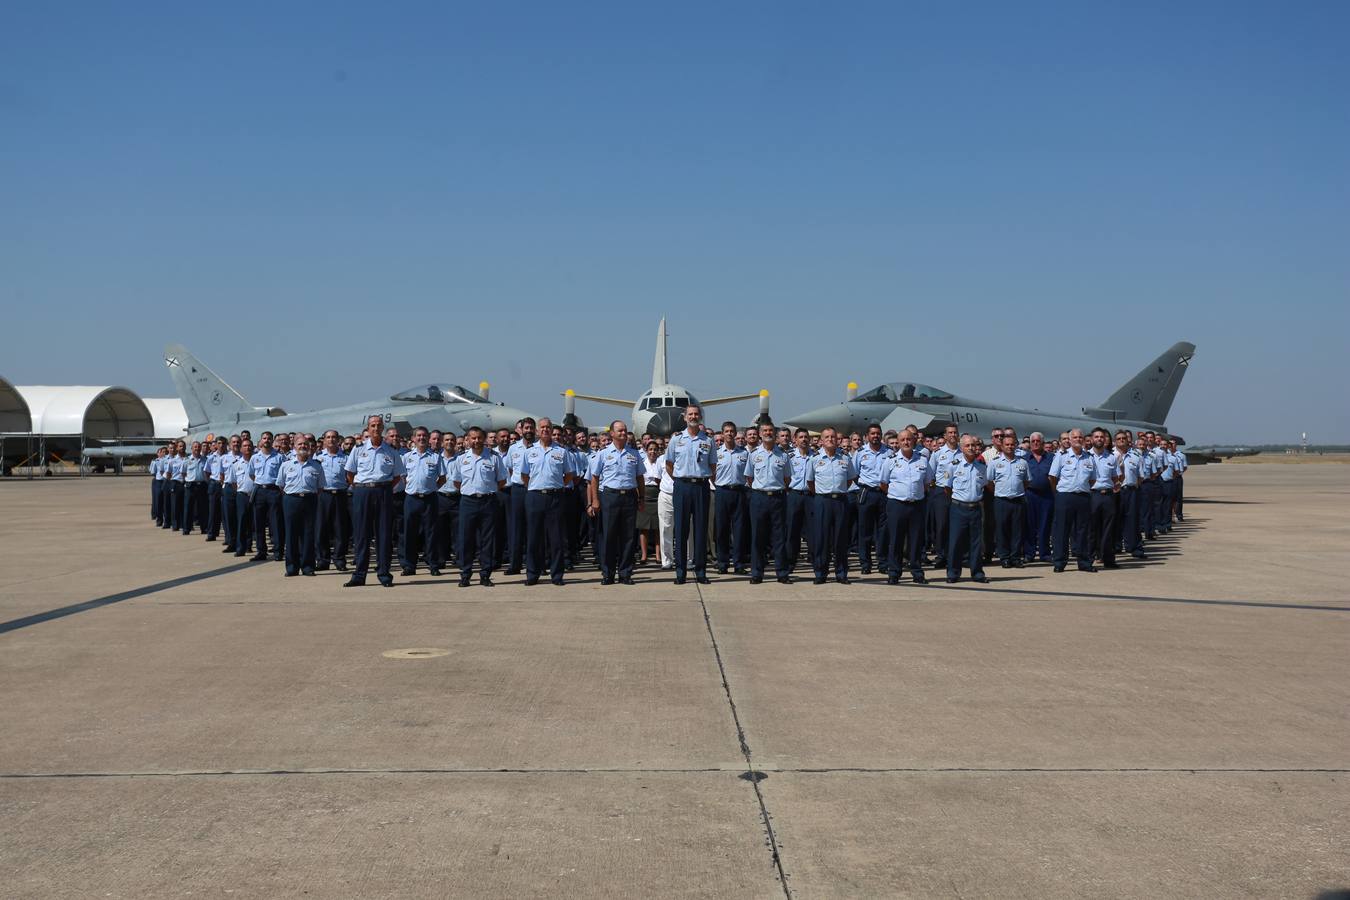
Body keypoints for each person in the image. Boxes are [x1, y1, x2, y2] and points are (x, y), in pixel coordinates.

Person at [343, 415, 406, 588]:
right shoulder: (358, 449)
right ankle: (359, 575)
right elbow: (350, 473)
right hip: (362, 491)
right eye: (372, 425)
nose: (376, 428)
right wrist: (361, 487)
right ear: (368, 429)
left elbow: (397, 476)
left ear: (383, 428)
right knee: (361, 534)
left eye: (379, 425)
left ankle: (384, 574)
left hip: (384, 491)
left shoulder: (391, 450)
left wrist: (382, 487)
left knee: (383, 534)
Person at [520, 418, 574, 586]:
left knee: (556, 538)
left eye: (548, 427)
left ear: (552, 430)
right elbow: (524, 475)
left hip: (555, 497)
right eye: (542, 427)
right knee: (534, 537)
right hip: (535, 496)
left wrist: (555, 486)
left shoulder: (562, 451)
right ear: (537, 431)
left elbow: (569, 475)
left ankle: (557, 575)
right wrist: (537, 486)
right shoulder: (529, 451)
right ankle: (532, 574)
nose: (545, 430)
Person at [589, 420, 643, 585]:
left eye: (625, 431)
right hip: (610, 497)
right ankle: (608, 573)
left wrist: (641, 498)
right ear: (611, 433)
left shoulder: (634, 454)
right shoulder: (603, 454)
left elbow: (639, 477)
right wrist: (595, 500)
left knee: (628, 537)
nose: (623, 433)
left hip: (629, 497)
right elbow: (594, 478)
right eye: (619, 431)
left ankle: (625, 573)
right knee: (609, 537)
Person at [453, 425, 508, 587]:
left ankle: (485, 574)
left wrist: (487, 491)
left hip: (488, 502)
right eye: (473, 438)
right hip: (468, 502)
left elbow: (502, 480)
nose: (476, 441)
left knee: (488, 540)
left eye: (479, 438)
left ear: (484, 439)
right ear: (468, 440)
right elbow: (457, 482)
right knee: (465, 539)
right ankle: (465, 574)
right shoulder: (461, 458)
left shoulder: (493, 457)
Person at [667, 405, 716, 585]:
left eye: (696, 414)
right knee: (680, 530)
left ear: (700, 417)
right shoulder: (676, 439)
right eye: (690, 414)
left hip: (701, 487)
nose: (693, 416)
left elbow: (713, 466)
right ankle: (681, 572)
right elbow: (669, 464)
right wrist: (681, 480)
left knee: (701, 530)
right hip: (682, 486)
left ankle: (701, 571)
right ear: (685, 417)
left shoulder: (708, 441)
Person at [878, 429, 931, 585]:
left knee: (916, 540)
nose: (906, 442)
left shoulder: (922, 460)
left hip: (916, 505)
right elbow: (883, 483)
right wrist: (898, 495)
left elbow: (927, 482)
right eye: (903, 440)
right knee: (895, 539)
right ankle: (894, 572)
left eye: (909, 439)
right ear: (898, 443)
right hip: (896, 504)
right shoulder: (890, 461)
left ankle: (916, 571)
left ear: (913, 441)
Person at [744, 423, 792, 584]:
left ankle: (782, 572)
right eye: (765, 431)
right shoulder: (754, 455)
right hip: (759, 498)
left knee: (779, 537)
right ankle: (757, 573)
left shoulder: (783, 456)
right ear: (759, 434)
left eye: (771, 431)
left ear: (776, 434)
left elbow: (787, 479)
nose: (768, 433)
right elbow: (749, 478)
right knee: (758, 536)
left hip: (778, 498)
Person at [810, 427, 857, 584]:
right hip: (822, 501)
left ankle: (841, 573)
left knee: (840, 539)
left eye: (833, 437)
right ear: (821, 440)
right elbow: (810, 482)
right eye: (827, 437)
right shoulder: (814, 459)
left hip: (841, 501)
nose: (830, 439)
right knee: (822, 538)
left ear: (837, 440)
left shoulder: (845, 459)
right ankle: (820, 573)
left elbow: (850, 479)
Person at [943, 434, 990, 583]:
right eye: (967, 445)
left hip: (975, 508)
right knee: (956, 541)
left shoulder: (982, 467)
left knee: (976, 542)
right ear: (961, 447)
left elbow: (983, 485)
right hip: (959, 508)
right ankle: (953, 573)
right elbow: (947, 488)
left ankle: (977, 573)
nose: (971, 448)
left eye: (973, 445)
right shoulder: (953, 465)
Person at [1048, 428, 1096, 573]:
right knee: (1062, 530)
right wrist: (1059, 492)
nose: (1078, 439)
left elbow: (1093, 480)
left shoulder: (1089, 457)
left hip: (1083, 497)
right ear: (1069, 439)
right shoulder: (1061, 456)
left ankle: (1084, 562)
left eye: (1080, 437)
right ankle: (1059, 562)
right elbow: (1052, 478)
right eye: (1074, 437)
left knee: (1083, 531)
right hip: (1065, 496)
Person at [400, 426, 445, 576]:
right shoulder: (407, 457)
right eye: (418, 435)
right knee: (410, 533)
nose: (421, 438)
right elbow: (402, 476)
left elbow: (442, 478)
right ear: (413, 438)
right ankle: (409, 565)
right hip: (411, 499)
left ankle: (433, 564)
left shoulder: (436, 457)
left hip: (429, 499)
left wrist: (432, 487)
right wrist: (412, 488)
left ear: (428, 438)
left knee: (431, 533)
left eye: (424, 435)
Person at [278, 436, 323, 576]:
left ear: (309, 447)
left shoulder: (316, 465)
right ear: (294, 447)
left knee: (308, 534)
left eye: (305, 444)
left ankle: (308, 566)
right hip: (291, 499)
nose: (303, 446)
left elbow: (320, 487)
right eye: (300, 444)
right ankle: (291, 567)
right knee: (291, 533)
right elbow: (281, 485)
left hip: (310, 500)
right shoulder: (286, 465)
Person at [854, 423, 893, 576]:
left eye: (878, 433)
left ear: (881, 435)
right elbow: (855, 474)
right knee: (865, 530)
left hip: (884, 493)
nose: (875, 436)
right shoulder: (860, 452)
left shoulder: (889, 452)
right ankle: (865, 564)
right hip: (867, 493)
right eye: (872, 434)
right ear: (867, 436)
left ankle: (882, 563)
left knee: (883, 531)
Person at [712, 421, 749, 575]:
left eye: (732, 431)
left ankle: (739, 563)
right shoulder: (716, 453)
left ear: (735, 434)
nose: (729, 434)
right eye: (726, 431)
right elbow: (712, 473)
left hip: (739, 492)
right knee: (722, 529)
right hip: (722, 492)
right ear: (722, 433)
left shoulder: (744, 453)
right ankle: (722, 562)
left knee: (739, 530)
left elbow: (748, 474)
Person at [987, 433, 1030, 567]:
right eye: (1007, 444)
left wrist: (1017, 490)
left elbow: (1026, 481)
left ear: (1016, 445)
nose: (1010, 447)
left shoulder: (1023, 462)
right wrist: (998, 493)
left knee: (1017, 530)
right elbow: (989, 481)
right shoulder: (995, 462)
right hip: (1001, 501)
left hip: (1018, 500)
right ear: (1002, 446)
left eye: (1012, 444)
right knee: (1002, 530)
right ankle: (1004, 557)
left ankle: (1015, 557)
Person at [503, 418, 536, 575]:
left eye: (531, 428)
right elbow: (509, 469)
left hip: (534, 490)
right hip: (518, 490)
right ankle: (515, 564)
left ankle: (534, 564)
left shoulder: (539, 448)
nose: (529, 430)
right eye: (526, 428)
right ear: (521, 430)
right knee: (516, 528)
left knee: (534, 528)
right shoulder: (513, 448)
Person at [315, 430, 350, 571]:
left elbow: (350, 476)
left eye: (334, 437)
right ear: (324, 440)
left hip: (340, 495)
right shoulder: (317, 457)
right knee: (321, 529)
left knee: (340, 529)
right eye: (328, 437)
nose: (331, 440)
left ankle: (339, 559)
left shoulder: (345, 457)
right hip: (323, 495)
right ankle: (323, 560)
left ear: (338, 440)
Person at [248, 432, 285, 562]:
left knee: (276, 523)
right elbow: (252, 474)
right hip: (259, 491)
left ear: (273, 440)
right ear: (261, 440)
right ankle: (261, 551)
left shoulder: (279, 457)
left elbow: (283, 475)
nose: (266, 440)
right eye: (264, 438)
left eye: (269, 438)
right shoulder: (254, 457)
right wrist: (261, 482)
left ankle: (278, 551)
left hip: (274, 491)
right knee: (259, 523)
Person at [929, 424, 961, 569]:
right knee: (941, 525)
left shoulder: (963, 453)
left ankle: (957, 555)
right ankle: (941, 555)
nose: (953, 435)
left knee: (958, 525)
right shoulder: (938, 454)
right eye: (950, 433)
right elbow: (931, 474)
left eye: (955, 432)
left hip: (959, 492)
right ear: (945, 436)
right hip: (941, 492)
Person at [786, 428, 815, 573]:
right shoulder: (789, 456)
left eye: (806, 437)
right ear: (795, 440)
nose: (804, 439)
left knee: (813, 530)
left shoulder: (815, 456)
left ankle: (814, 559)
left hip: (811, 496)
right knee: (792, 530)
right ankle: (791, 561)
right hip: (794, 495)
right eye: (801, 437)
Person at [1023, 432, 1054, 563]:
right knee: (1029, 525)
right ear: (1030, 444)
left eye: (1038, 441)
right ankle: (1029, 553)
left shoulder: (1051, 457)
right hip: (1030, 494)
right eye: (1033, 441)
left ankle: (1044, 553)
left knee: (1045, 525)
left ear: (1043, 442)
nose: (1036, 443)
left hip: (1046, 495)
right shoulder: (1024, 458)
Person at [1118, 431, 1148, 560]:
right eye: (1119, 438)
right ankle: (1116, 546)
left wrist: (1134, 485)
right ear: (1115, 441)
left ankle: (1134, 547)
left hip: (1131, 491)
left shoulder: (1136, 456)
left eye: (1124, 438)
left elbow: (1141, 476)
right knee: (1114, 520)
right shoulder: (1111, 455)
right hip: (1115, 492)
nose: (1122, 440)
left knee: (1133, 520)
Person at [434, 430, 460, 573]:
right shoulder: (437, 459)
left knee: (458, 531)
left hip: (457, 498)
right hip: (441, 497)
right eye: (447, 440)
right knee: (440, 531)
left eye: (452, 440)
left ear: (455, 443)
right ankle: (441, 559)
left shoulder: (461, 459)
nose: (449, 442)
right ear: (443, 443)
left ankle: (460, 559)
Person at [638, 440, 663, 566]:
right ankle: (644, 554)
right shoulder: (642, 464)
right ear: (646, 451)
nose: (653, 452)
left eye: (655, 449)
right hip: (645, 494)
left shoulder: (661, 463)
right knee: (644, 527)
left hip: (658, 494)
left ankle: (658, 555)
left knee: (658, 527)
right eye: (650, 449)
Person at [231, 437, 256, 558]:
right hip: (242, 495)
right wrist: (241, 492)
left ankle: (250, 545)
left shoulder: (257, 461)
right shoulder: (236, 465)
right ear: (241, 449)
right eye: (245, 446)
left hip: (256, 495)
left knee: (254, 522)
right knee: (241, 522)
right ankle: (241, 548)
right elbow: (234, 483)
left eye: (249, 446)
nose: (247, 448)